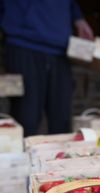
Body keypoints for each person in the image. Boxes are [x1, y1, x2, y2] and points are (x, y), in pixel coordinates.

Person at [0, 0, 93, 136]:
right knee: (26, 120)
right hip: (23, 42)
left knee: (62, 121)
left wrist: (78, 18)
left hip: (60, 48)